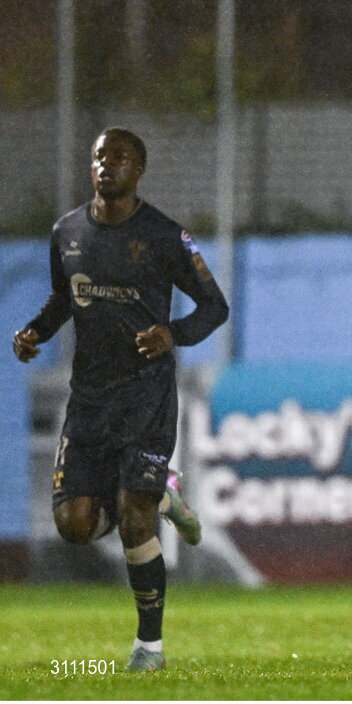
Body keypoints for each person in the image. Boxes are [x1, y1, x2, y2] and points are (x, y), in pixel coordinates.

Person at [12, 128, 229, 671]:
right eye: (98, 157)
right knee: (75, 527)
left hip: (146, 395)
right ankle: (162, 496)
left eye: (119, 157)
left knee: (134, 522)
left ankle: (149, 648)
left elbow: (213, 307)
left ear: (140, 169)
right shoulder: (66, 231)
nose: (106, 165)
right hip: (88, 398)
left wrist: (171, 334)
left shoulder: (163, 235)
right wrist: (36, 330)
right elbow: (67, 295)